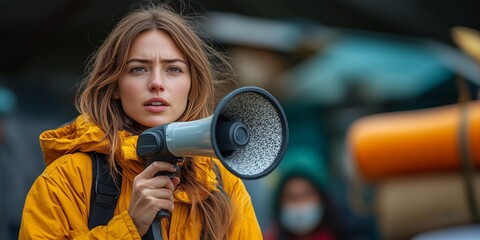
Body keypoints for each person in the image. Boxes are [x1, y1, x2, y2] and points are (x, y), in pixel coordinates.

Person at [19, 4, 261, 239]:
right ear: (115, 86)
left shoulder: (223, 186)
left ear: (192, 85)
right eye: (138, 69)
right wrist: (130, 226)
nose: (156, 82)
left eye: (173, 69)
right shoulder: (66, 180)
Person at [264, 147, 339, 240]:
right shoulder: (264, 237)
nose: (299, 205)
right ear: (279, 203)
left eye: (306, 195)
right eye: (291, 197)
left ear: (322, 198)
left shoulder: (343, 234)